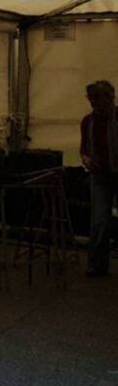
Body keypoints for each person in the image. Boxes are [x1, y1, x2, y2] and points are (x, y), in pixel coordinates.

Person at [80, 80, 118, 277]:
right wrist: (86, 159)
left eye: (97, 97)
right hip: (100, 176)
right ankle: (96, 265)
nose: (93, 102)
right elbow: (84, 148)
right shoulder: (88, 121)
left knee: (103, 220)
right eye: (91, 98)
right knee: (99, 221)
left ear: (110, 97)